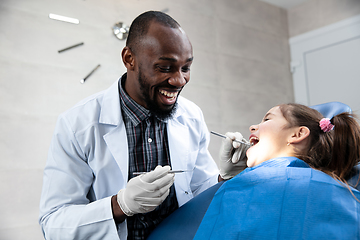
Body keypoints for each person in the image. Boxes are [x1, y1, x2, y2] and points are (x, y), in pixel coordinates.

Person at [38, 11, 247, 240]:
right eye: (165, 68)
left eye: (185, 68)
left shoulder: (192, 116)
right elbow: (53, 223)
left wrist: (223, 178)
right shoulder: (77, 124)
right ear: (129, 59)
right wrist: (120, 205)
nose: (179, 81)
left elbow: (195, 189)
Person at [147, 102, 360, 240]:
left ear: (298, 134)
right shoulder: (334, 188)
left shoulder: (264, 181)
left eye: (267, 119)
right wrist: (225, 179)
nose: (252, 127)